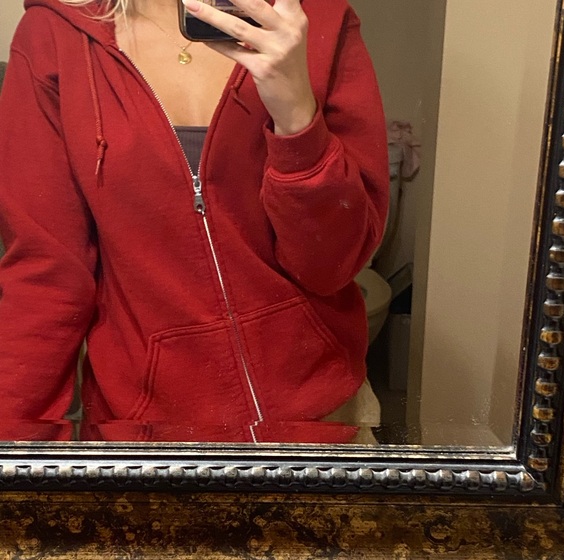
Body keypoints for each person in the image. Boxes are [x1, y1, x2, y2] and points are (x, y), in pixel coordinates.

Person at [0, 0, 389, 443]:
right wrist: (15, 453)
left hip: (324, 422)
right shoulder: (57, 34)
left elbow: (333, 265)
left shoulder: (317, 19)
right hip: (145, 436)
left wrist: (297, 115)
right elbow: (46, 278)